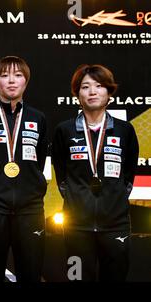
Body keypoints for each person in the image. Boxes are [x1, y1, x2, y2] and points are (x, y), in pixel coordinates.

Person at [51, 64, 139, 281]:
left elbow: (128, 174)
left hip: (115, 225)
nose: (92, 92)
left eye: (99, 86)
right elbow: (61, 174)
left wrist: (114, 199)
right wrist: (76, 197)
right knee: (78, 278)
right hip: (76, 226)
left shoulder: (124, 130)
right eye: (85, 87)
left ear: (109, 92)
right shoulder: (65, 130)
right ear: (77, 93)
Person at [0, 56, 48, 282]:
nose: (11, 81)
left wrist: (29, 185)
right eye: (5, 76)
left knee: (31, 274)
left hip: (30, 210)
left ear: (26, 82)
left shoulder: (38, 118)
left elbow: (38, 161)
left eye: (18, 75)